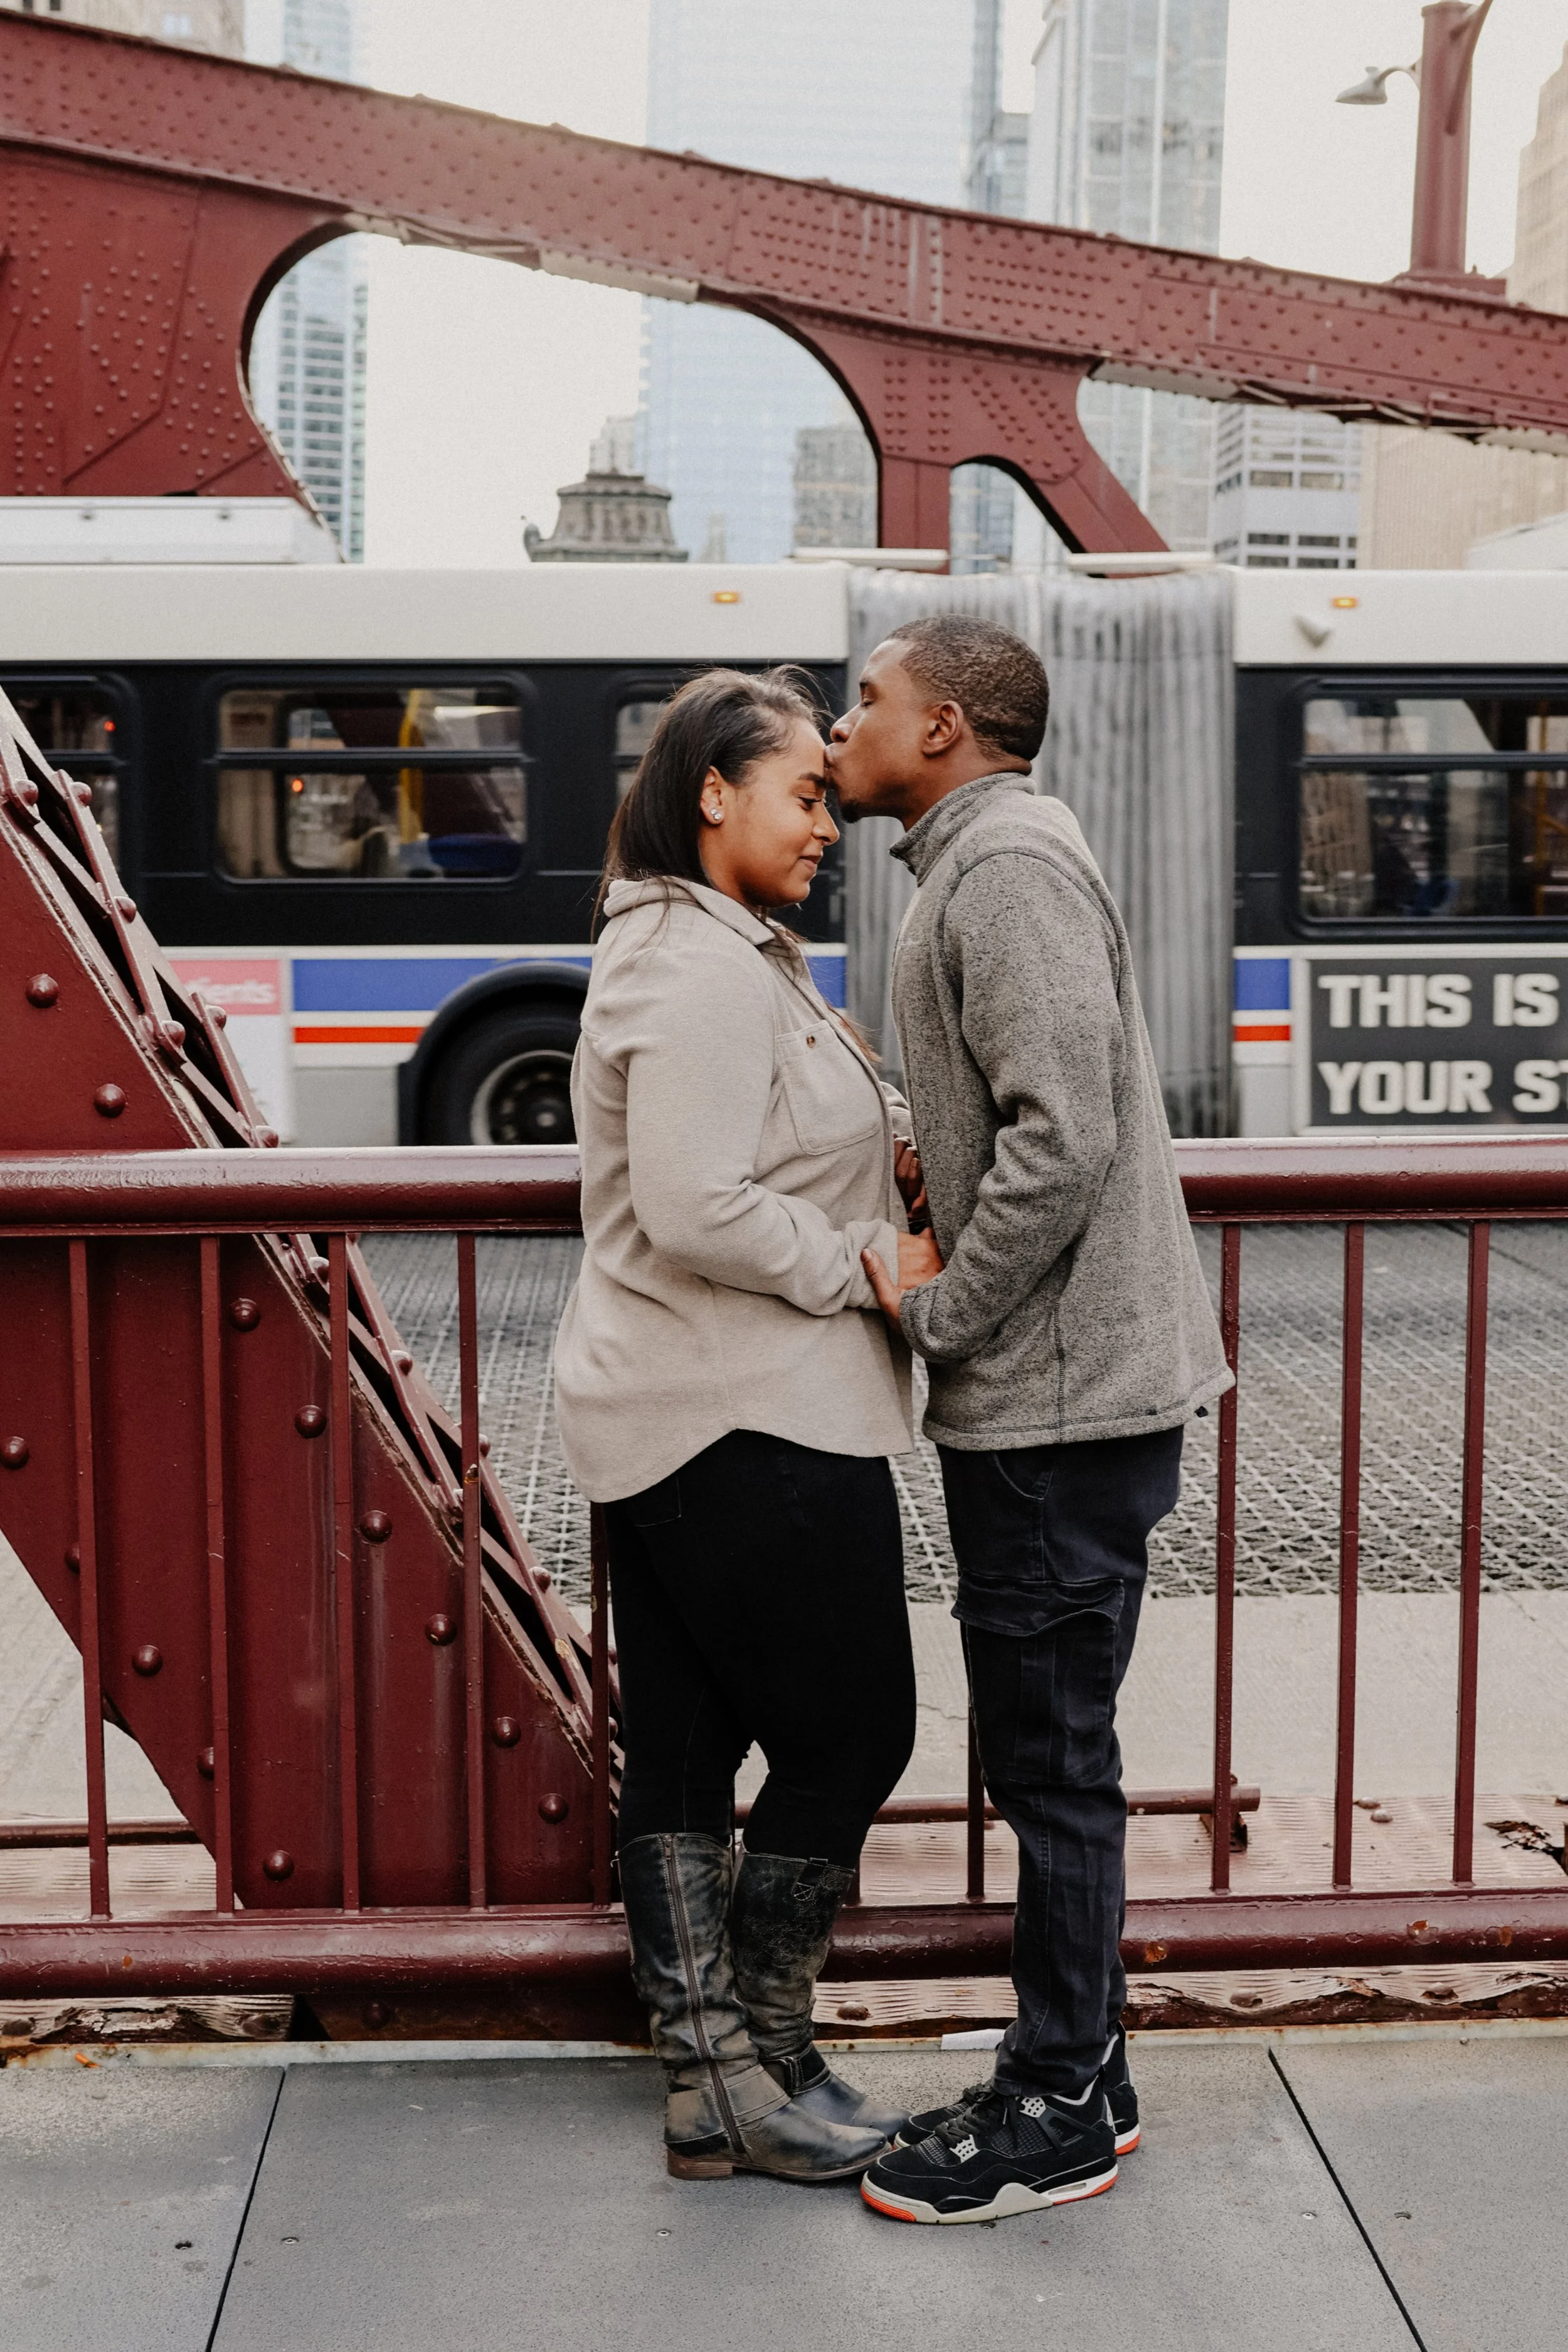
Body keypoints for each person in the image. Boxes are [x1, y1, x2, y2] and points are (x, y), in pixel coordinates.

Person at [826, 614, 1231, 2228]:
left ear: (941, 728)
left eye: (865, 700)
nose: (839, 723)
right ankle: (1085, 2065)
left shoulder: (998, 875)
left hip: (1057, 1410)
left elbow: (1059, 1146)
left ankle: (1057, 2102)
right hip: (1058, 1400)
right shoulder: (982, 862)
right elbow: (1020, 1122)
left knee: (1051, 1764)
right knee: (1052, 1753)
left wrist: (933, 1310)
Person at [554, 667, 941, 2184]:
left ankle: (725, 2084)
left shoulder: (714, 950)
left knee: (691, 1748)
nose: (826, 824)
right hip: (741, 1406)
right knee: (856, 1731)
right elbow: (697, 1200)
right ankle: (758, 2055)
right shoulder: (698, 965)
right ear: (711, 792)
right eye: (803, 795)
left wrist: (892, 1153)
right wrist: (864, 1263)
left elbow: (776, 1134)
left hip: (684, 1398)